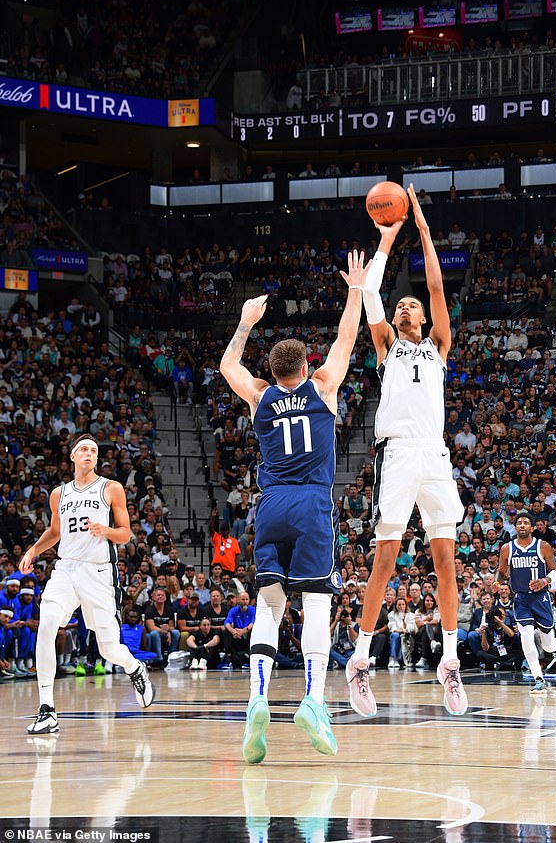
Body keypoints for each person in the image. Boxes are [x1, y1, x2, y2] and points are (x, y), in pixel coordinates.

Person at [219, 249, 368, 762]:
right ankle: (312, 700)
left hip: (271, 506)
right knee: (317, 605)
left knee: (269, 605)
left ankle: (257, 698)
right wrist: (355, 289)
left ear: (273, 369)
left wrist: (244, 323)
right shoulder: (324, 387)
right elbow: (349, 336)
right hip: (311, 504)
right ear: (306, 365)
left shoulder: (259, 396)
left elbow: (226, 366)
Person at [346, 185, 468, 717]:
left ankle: (449, 661)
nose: (405, 306)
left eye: (411, 304)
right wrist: (386, 238)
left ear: (423, 318)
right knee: (385, 561)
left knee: (447, 562)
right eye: (402, 304)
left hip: (434, 456)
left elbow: (437, 285)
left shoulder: (439, 346)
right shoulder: (386, 346)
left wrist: (420, 227)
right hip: (396, 455)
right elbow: (370, 294)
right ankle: (360, 661)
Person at [18, 434, 154, 734]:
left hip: (98, 573)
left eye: (93, 450)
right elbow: (55, 531)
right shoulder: (59, 494)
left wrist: (106, 530)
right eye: (84, 449)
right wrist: (33, 550)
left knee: (108, 649)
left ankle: (134, 668)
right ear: (73, 457)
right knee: (47, 624)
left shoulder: (110, 488)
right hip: (66, 570)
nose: (89, 453)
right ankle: (46, 709)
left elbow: (125, 535)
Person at [495, 511, 556, 694]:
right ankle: (538, 678)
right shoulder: (507, 548)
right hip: (521, 599)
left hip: (541, 597)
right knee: (526, 638)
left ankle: (555, 648)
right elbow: (501, 571)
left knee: (547, 643)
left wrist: (545, 581)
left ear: (532, 528)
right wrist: (497, 582)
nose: (522, 525)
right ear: (515, 526)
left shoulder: (542, 546)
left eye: (526, 522)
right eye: (519, 522)